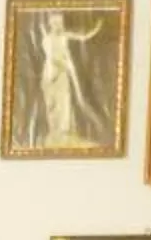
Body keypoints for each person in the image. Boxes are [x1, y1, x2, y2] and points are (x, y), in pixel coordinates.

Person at [31, 12, 105, 149]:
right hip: (52, 74)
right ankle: (55, 132)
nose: (59, 26)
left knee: (65, 101)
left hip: (63, 74)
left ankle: (64, 132)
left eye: (61, 23)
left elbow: (83, 37)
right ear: (51, 24)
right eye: (56, 23)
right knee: (52, 104)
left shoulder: (65, 35)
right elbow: (52, 57)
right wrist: (64, 66)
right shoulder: (47, 39)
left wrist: (96, 29)